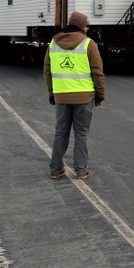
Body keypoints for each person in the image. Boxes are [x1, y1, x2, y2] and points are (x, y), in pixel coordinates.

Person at [44, 11, 106, 180]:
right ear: (81, 27)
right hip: (84, 97)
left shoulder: (53, 43)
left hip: (62, 97)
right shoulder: (89, 44)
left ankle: (56, 169)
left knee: (61, 133)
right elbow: (97, 72)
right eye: (86, 25)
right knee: (81, 134)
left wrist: (52, 94)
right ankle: (81, 171)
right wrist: (100, 95)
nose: (87, 28)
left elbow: (47, 72)